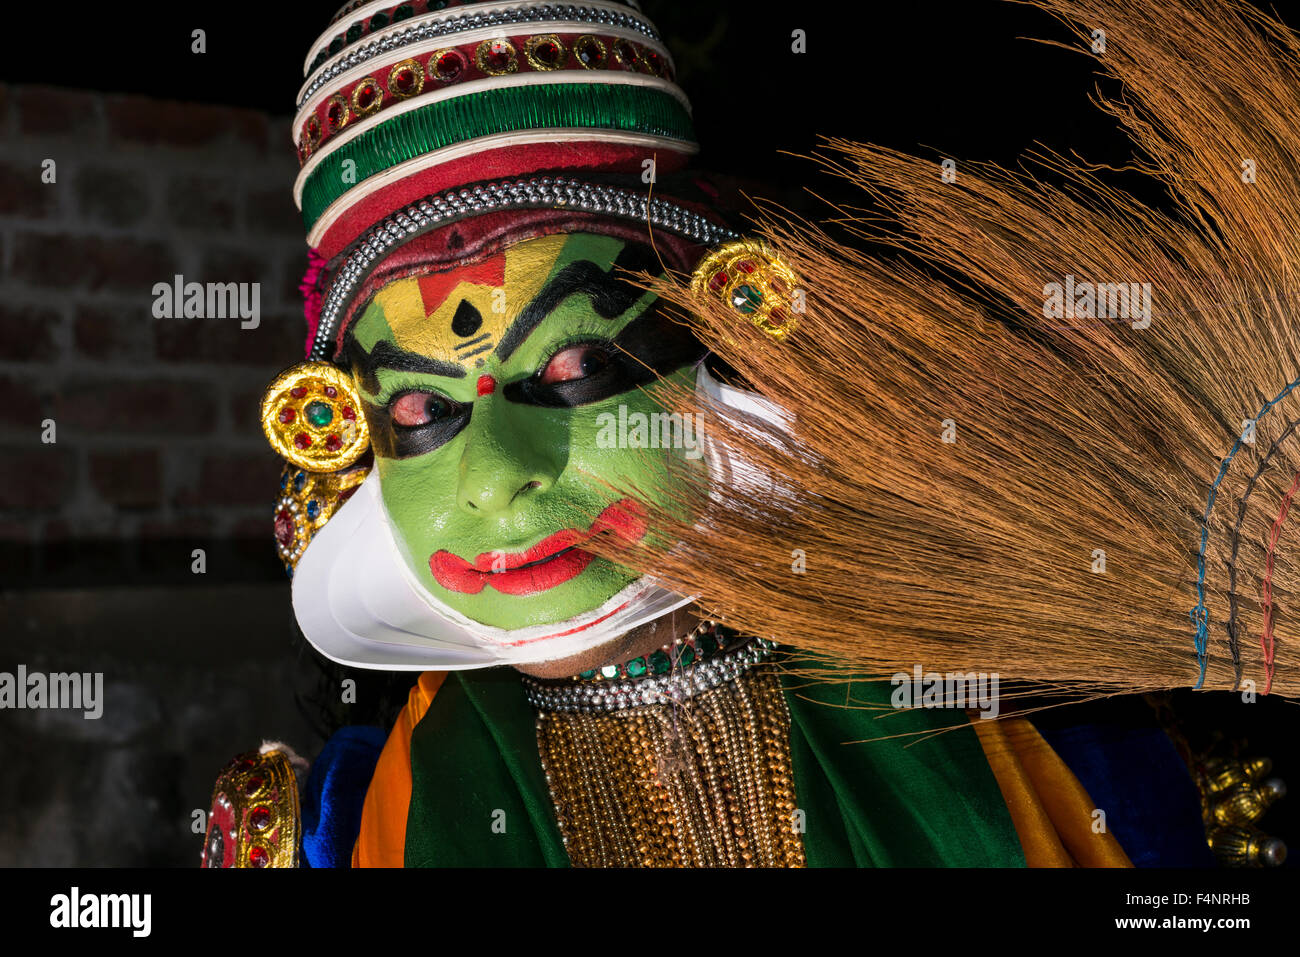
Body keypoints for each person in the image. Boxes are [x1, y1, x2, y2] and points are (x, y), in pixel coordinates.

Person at [203, 0, 1278, 868]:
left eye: (578, 370)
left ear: (734, 339)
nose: (494, 479)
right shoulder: (334, 829)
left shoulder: (1042, 722)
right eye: (420, 413)